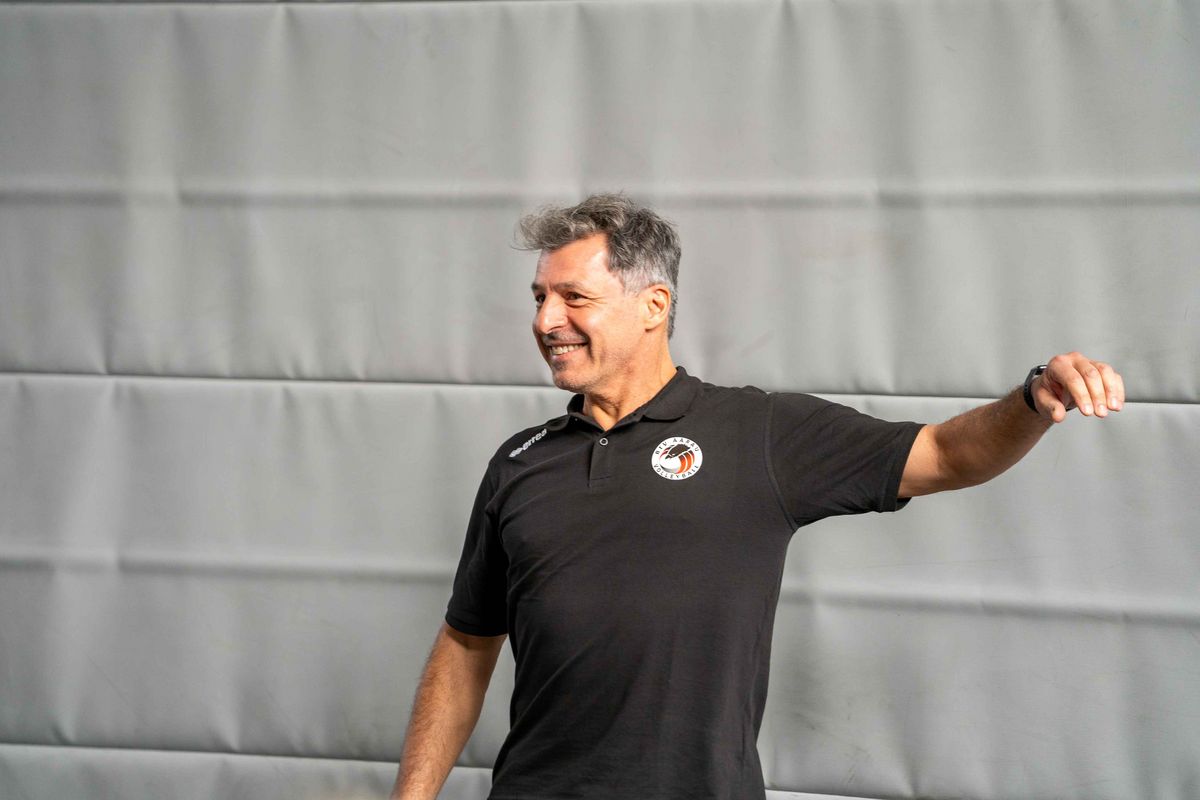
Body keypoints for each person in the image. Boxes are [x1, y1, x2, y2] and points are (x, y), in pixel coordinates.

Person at [389, 194, 1124, 800]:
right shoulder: (520, 463)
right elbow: (466, 643)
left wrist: (1033, 399)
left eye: (573, 297)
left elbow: (947, 454)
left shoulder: (758, 433)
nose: (546, 321)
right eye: (540, 297)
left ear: (653, 305)